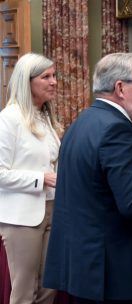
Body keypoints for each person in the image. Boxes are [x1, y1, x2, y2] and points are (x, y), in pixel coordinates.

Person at [43, 53, 132, 303]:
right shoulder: (116, 130)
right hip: (117, 276)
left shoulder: (82, 122)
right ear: (120, 87)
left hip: (88, 269)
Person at [0, 53, 61, 304]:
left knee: (50, 288)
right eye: (46, 77)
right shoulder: (9, 119)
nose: (54, 81)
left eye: (54, 75)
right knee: (25, 292)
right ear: (27, 82)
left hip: (53, 208)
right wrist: (41, 178)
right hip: (21, 217)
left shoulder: (46, 118)